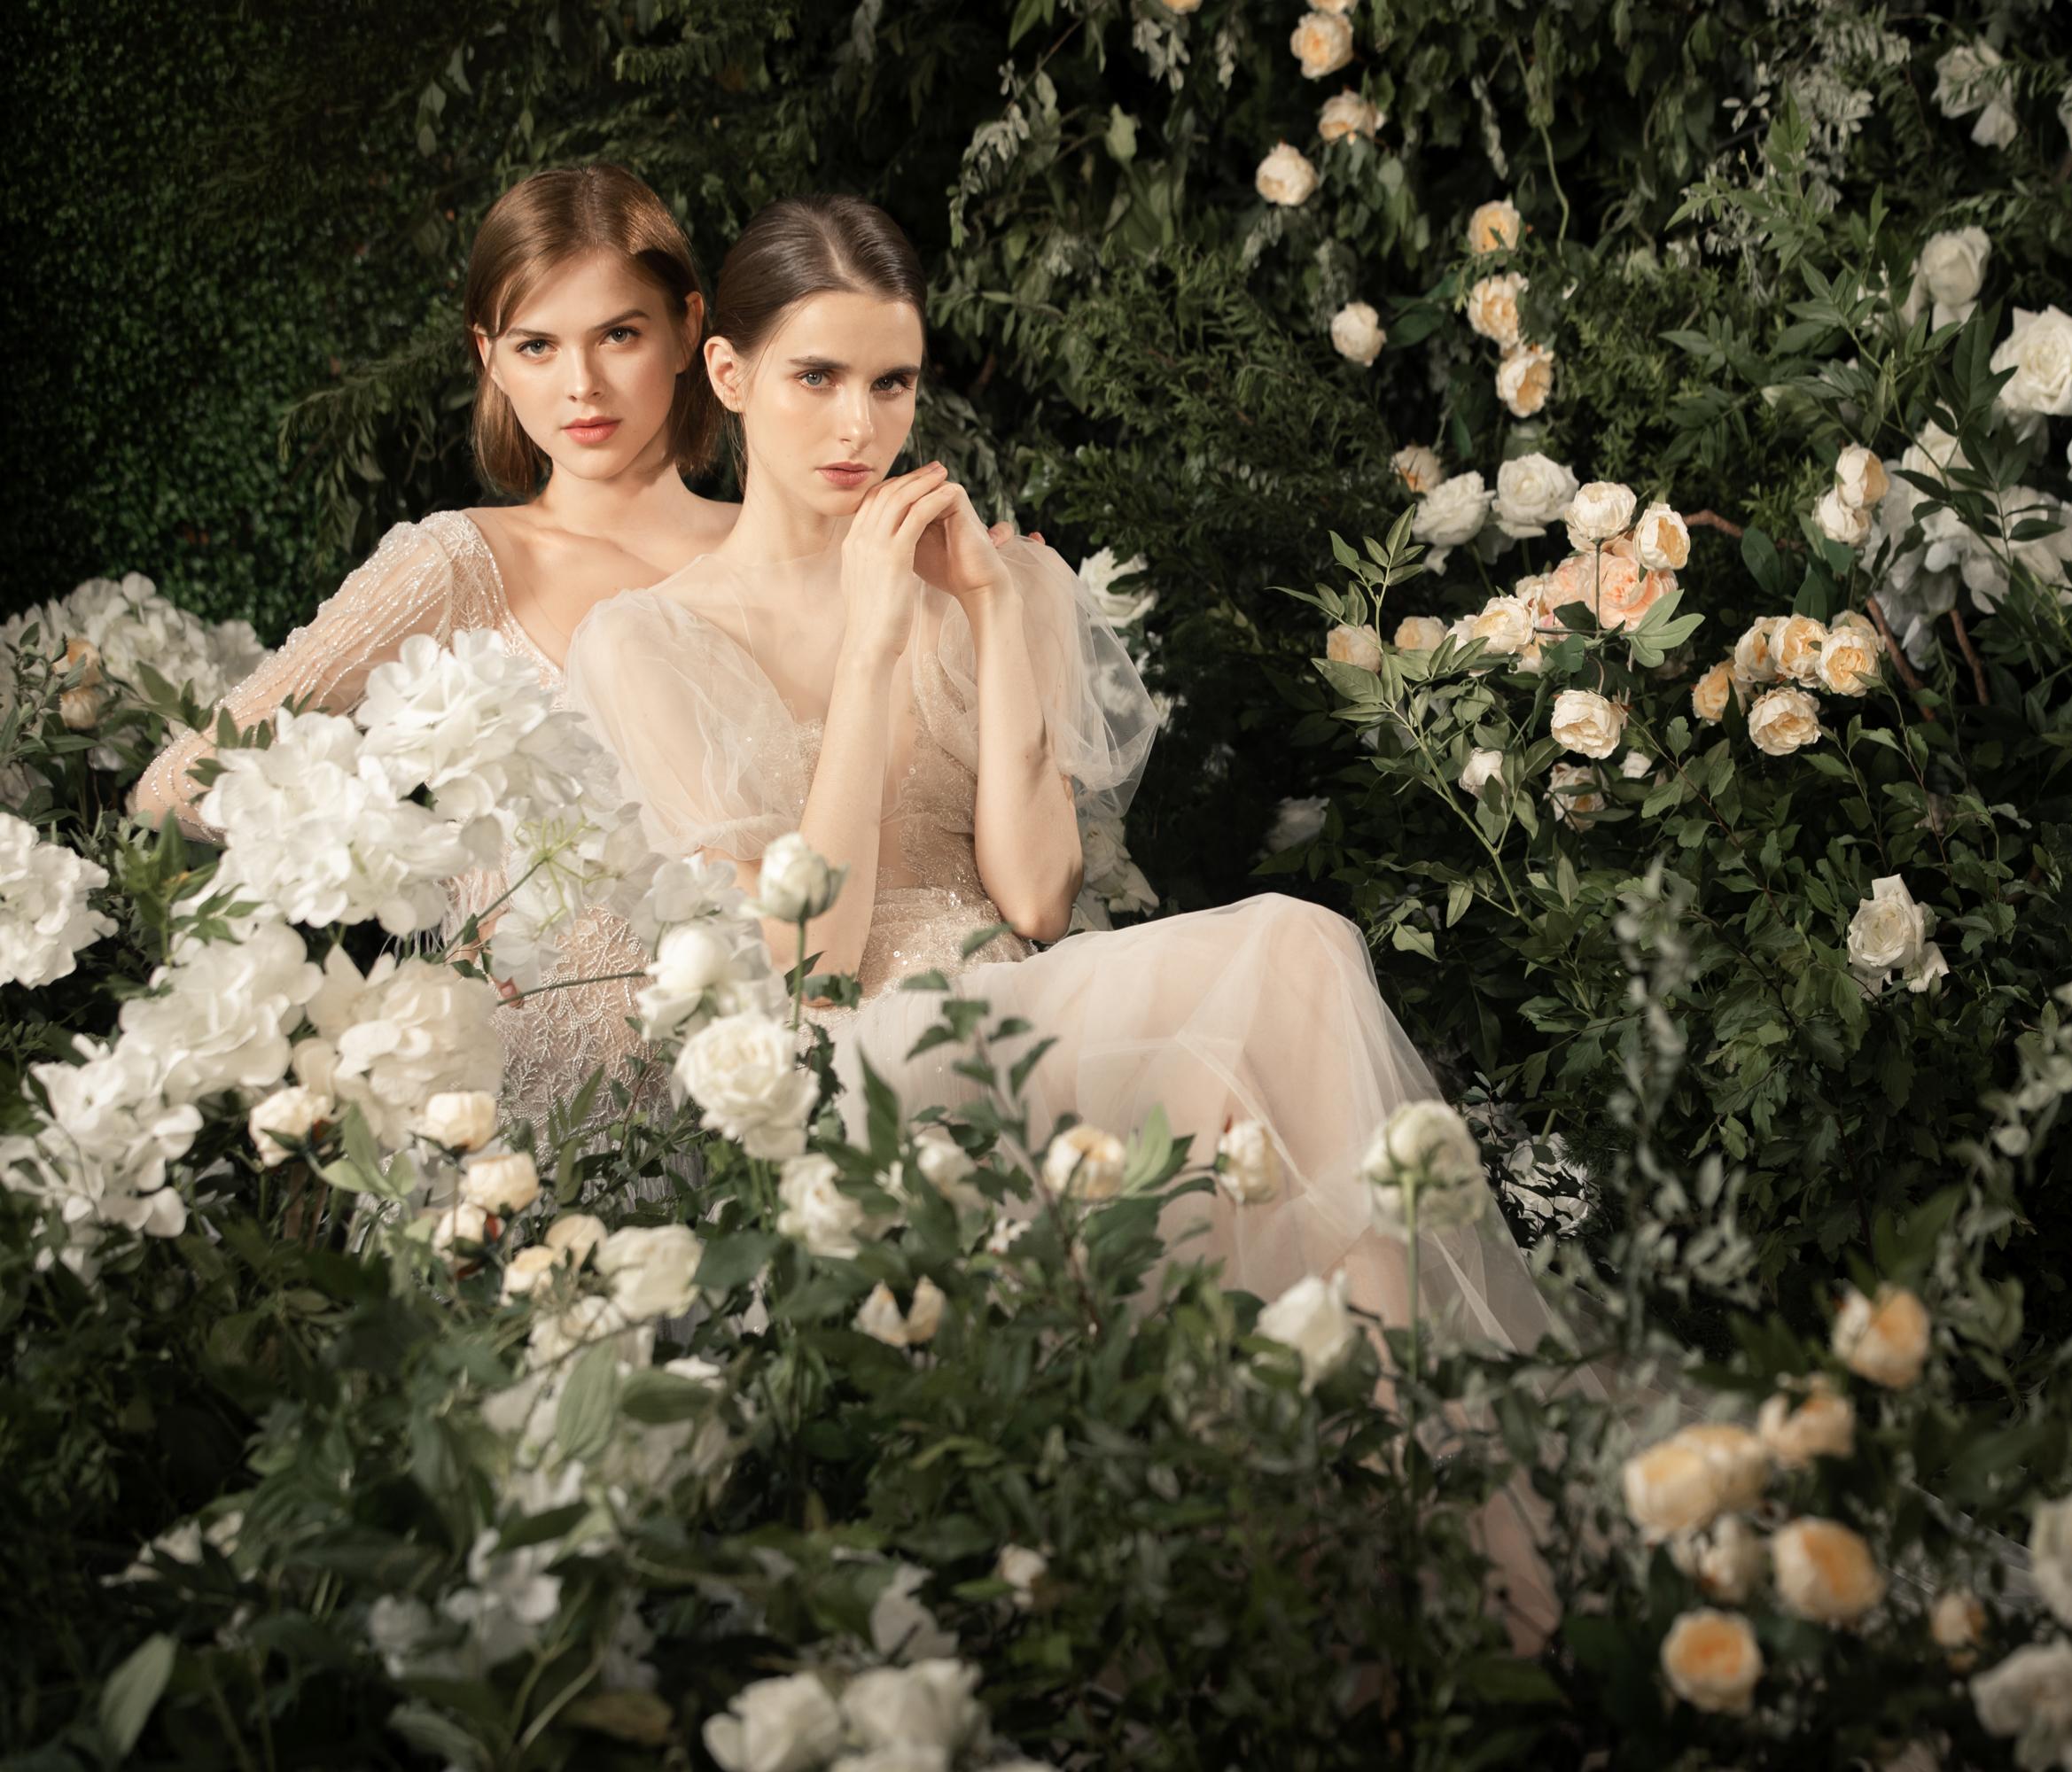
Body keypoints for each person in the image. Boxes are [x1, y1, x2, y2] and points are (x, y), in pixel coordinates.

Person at [563, 195, 1590, 1636]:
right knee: (1291, 951)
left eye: (891, 382)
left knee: (1294, 976)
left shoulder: (986, 578)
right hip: (854, 1057)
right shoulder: (644, 639)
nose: (858, 425)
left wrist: (990, 611)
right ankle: (1446, 1554)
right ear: (726, 375)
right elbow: (807, 961)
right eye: (816, 377)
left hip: (1022, 990)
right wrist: (868, 643)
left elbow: (1040, 898)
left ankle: (1423, 1551)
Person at [133, 163, 737, 1142]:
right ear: (489, 358)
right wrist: (376, 840)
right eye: (536, 345)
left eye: (618, 334)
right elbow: (171, 785)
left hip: (759, 1088)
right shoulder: (457, 563)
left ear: (685, 328)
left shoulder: (785, 550)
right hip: (525, 1116)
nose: (581, 384)